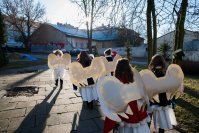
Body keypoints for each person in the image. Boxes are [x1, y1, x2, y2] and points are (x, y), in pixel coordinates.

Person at [103, 58, 150, 133]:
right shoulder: (135, 80)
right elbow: (143, 95)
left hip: (127, 117)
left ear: (117, 69)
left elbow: (113, 106)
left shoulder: (116, 85)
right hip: (139, 114)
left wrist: (108, 127)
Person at [148, 54, 177, 133]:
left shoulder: (153, 73)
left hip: (155, 99)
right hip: (164, 99)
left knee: (149, 116)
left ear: (153, 62)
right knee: (162, 119)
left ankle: (147, 130)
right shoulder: (166, 72)